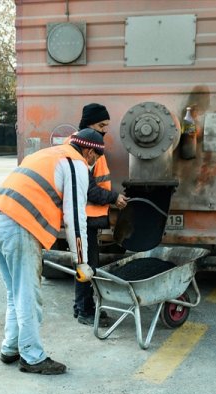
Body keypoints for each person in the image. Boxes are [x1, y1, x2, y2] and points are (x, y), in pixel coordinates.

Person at [0, 129, 105, 375]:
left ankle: (10, 348)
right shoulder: (76, 164)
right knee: (28, 293)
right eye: (95, 159)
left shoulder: (49, 154)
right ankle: (32, 356)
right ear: (90, 152)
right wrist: (81, 261)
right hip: (19, 224)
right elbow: (75, 217)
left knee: (15, 291)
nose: (93, 165)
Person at [71, 103, 128, 326]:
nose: (105, 130)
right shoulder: (83, 147)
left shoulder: (86, 143)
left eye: (106, 126)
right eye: (101, 125)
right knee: (87, 266)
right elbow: (88, 189)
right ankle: (85, 311)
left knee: (86, 264)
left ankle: (83, 307)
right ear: (89, 124)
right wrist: (114, 198)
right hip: (84, 218)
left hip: (87, 218)